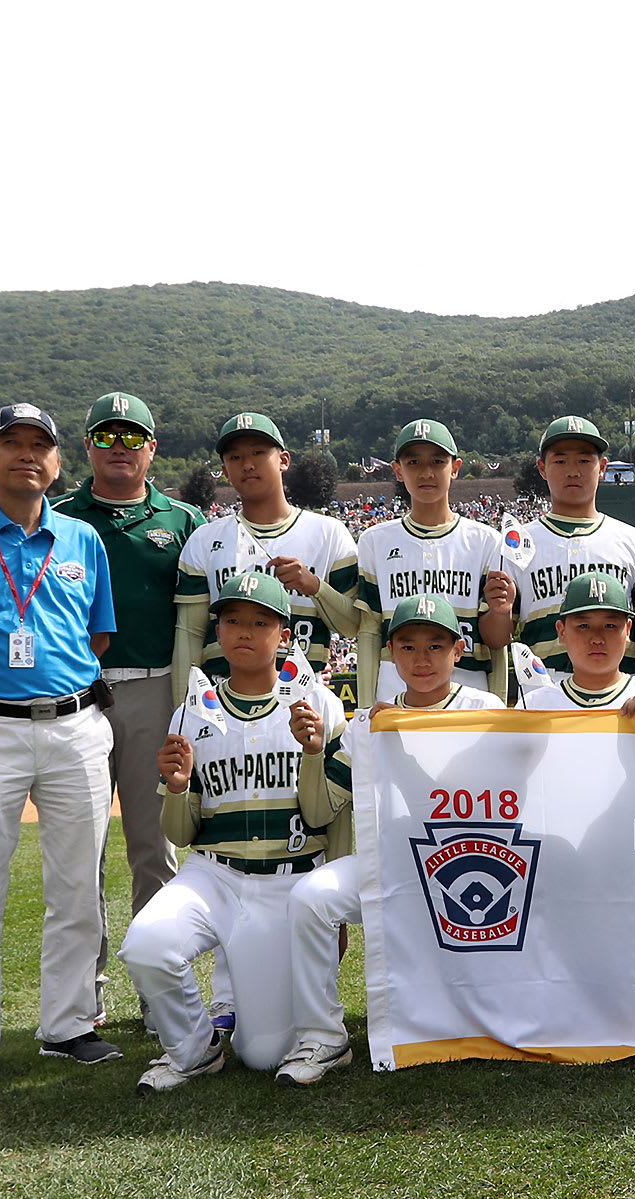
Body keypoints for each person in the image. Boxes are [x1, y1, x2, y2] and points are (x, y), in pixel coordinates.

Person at [0, 402, 120, 1085]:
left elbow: (97, 637)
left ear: (57, 462)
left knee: (75, 889)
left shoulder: (82, 540)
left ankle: (67, 1026)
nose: (27, 455)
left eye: (41, 445)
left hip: (74, 726)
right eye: (12, 443)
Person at [119, 571, 348, 1091]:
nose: (245, 631)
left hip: (288, 880)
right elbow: (181, 835)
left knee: (264, 1055)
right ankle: (193, 1049)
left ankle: (301, 1031)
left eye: (261, 622)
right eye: (233, 620)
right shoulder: (190, 711)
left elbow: (319, 816)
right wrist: (177, 788)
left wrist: (313, 753)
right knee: (146, 945)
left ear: (285, 635)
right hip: (214, 876)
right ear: (217, 631)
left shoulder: (318, 704)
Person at [282, 593, 503, 1085]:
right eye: (408, 647)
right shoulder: (367, 725)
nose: (422, 659)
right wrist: (315, 752)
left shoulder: (485, 709)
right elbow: (319, 811)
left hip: (479, 865)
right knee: (310, 898)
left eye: (435, 646)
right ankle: (323, 1038)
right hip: (393, 864)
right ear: (390, 654)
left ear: (458, 651)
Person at [54, 391, 205, 1022]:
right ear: (87, 446)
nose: (120, 448)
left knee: (154, 849)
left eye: (132, 437)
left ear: (153, 448)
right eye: (106, 437)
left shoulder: (185, 519)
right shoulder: (58, 515)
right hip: (75, 693)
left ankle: (157, 995)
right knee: (78, 854)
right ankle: (79, 1003)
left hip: (153, 685)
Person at [174, 411, 358, 697]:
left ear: (283, 460)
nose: (247, 464)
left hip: (304, 691)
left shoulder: (329, 533)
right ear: (224, 470)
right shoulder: (204, 539)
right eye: (235, 458)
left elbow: (352, 626)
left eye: (258, 453)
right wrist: (183, 713)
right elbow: (189, 635)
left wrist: (315, 588)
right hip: (223, 694)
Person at [355, 419, 512, 704]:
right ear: (398, 470)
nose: (426, 472)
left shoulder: (486, 541)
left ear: (455, 468)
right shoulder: (374, 540)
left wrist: (501, 612)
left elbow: (497, 641)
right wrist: (365, 706)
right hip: (394, 693)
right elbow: (369, 631)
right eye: (414, 462)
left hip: (469, 691)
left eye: (437, 461)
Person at [509, 416, 635, 685]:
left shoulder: (633, 540)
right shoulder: (519, 542)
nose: (572, 471)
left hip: (622, 692)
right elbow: (500, 633)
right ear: (542, 468)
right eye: (560, 461)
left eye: (584, 461)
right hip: (542, 689)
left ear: (603, 467)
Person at [523, 573, 635, 715]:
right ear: (562, 631)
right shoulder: (533, 706)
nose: (597, 639)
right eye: (583, 626)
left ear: (628, 630)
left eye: (610, 626)